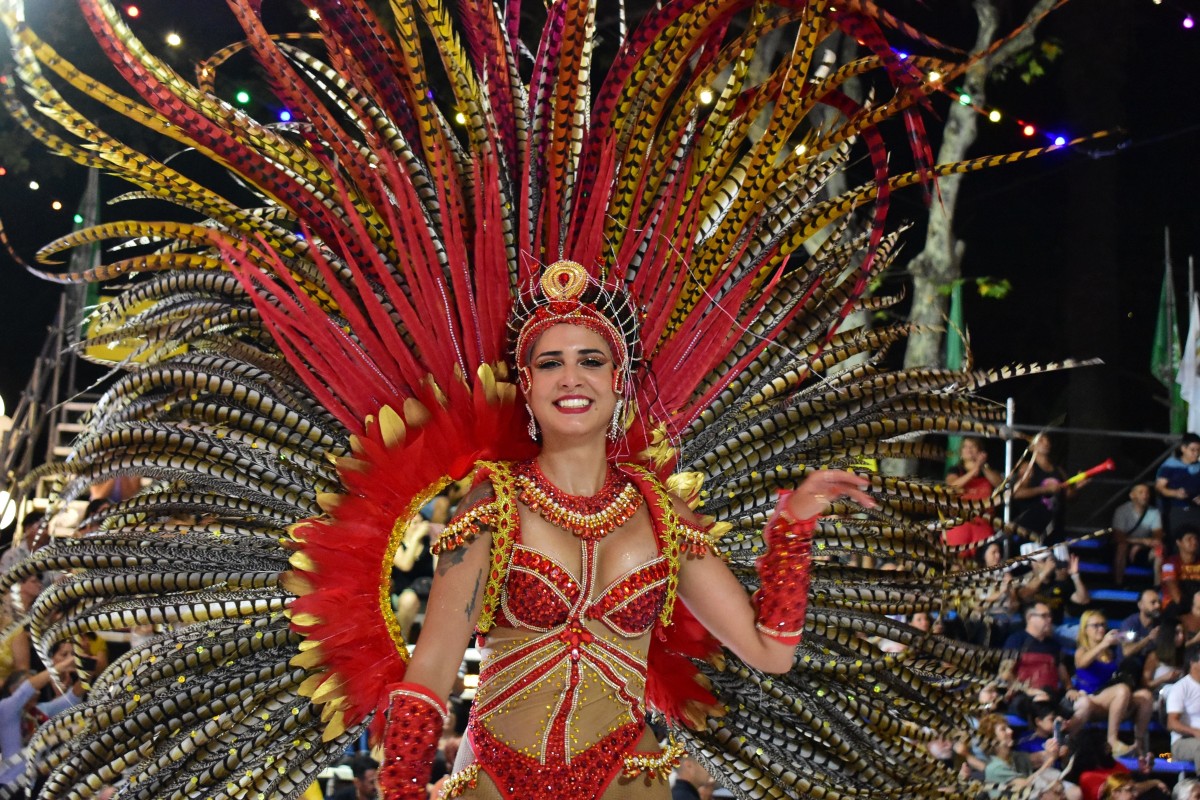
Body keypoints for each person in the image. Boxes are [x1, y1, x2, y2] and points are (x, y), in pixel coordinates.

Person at [383, 268, 876, 798]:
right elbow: (432, 666)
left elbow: (769, 651)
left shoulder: (663, 517)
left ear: (618, 378)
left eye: (591, 361)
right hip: (497, 779)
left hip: (626, 779)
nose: (572, 378)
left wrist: (794, 529)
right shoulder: (493, 506)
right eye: (551, 363)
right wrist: (401, 789)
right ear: (526, 384)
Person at [1072, 610, 1154, 757]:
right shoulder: (1082, 650)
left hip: (1111, 700)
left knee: (1145, 696)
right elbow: (1081, 663)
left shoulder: (1111, 653)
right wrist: (1103, 644)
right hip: (1091, 699)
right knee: (1122, 690)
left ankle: (1139, 744)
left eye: (1103, 625)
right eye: (1096, 626)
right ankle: (1112, 740)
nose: (1101, 629)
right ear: (1085, 629)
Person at [978, 713, 1078, 800]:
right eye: (1003, 729)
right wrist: (1050, 759)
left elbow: (1039, 758)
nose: (1010, 731)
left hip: (1029, 793)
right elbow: (1025, 784)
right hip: (1023, 794)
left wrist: (1051, 749)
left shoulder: (1013, 755)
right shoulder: (994, 768)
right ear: (992, 739)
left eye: (1007, 727)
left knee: (1073, 792)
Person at [1011, 436, 1082, 541]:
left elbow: (1069, 496)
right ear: (1032, 446)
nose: (1046, 443)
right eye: (1041, 440)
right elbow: (1017, 493)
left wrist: (1076, 487)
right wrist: (1044, 490)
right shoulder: (1028, 467)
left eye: (1048, 440)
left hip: (1055, 530)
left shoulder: (1058, 470)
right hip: (1032, 530)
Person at [944, 437, 1003, 555]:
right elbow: (952, 486)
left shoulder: (988, 472)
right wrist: (974, 470)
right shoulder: (955, 470)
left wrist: (982, 467)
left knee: (986, 560)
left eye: (973, 446)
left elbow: (1000, 484)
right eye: (965, 447)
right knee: (958, 563)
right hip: (961, 522)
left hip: (983, 523)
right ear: (961, 452)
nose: (969, 450)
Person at [1112, 484, 1164, 586]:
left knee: (1159, 550)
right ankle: (1118, 584)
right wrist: (1141, 541)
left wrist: (1140, 545)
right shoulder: (1122, 511)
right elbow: (1119, 537)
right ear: (1132, 495)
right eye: (1141, 492)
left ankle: (1157, 587)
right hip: (1122, 548)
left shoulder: (1154, 512)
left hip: (1142, 549)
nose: (1145, 495)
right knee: (1122, 546)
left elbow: (1157, 537)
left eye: (1147, 493)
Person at [1156, 434, 1200, 539]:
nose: (1196, 453)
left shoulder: (1199, 467)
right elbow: (1159, 487)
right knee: (1177, 540)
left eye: (1198, 450)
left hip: (1196, 511)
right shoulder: (1171, 465)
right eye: (1192, 450)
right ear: (1183, 448)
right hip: (1176, 510)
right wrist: (1175, 493)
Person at [1165, 646, 1200, 764]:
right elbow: (1171, 723)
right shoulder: (1180, 688)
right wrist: (1195, 732)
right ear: (1193, 663)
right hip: (1183, 741)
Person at [1119, 589, 1162, 673]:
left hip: (1150, 668)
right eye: (1153, 602)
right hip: (1128, 669)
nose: (1158, 606)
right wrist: (1149, 638)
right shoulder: (1129, 624)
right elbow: (1127, 652)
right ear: (1141, 605)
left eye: (1159, 602)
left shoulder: (1160, 623)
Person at [1161, 527, 1200, 615]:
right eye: (1189, 539)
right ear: (1179, 542)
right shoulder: (1168, 564)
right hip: (1175, 606)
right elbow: (1175, 594)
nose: (1194, 542)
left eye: (1196, 539)